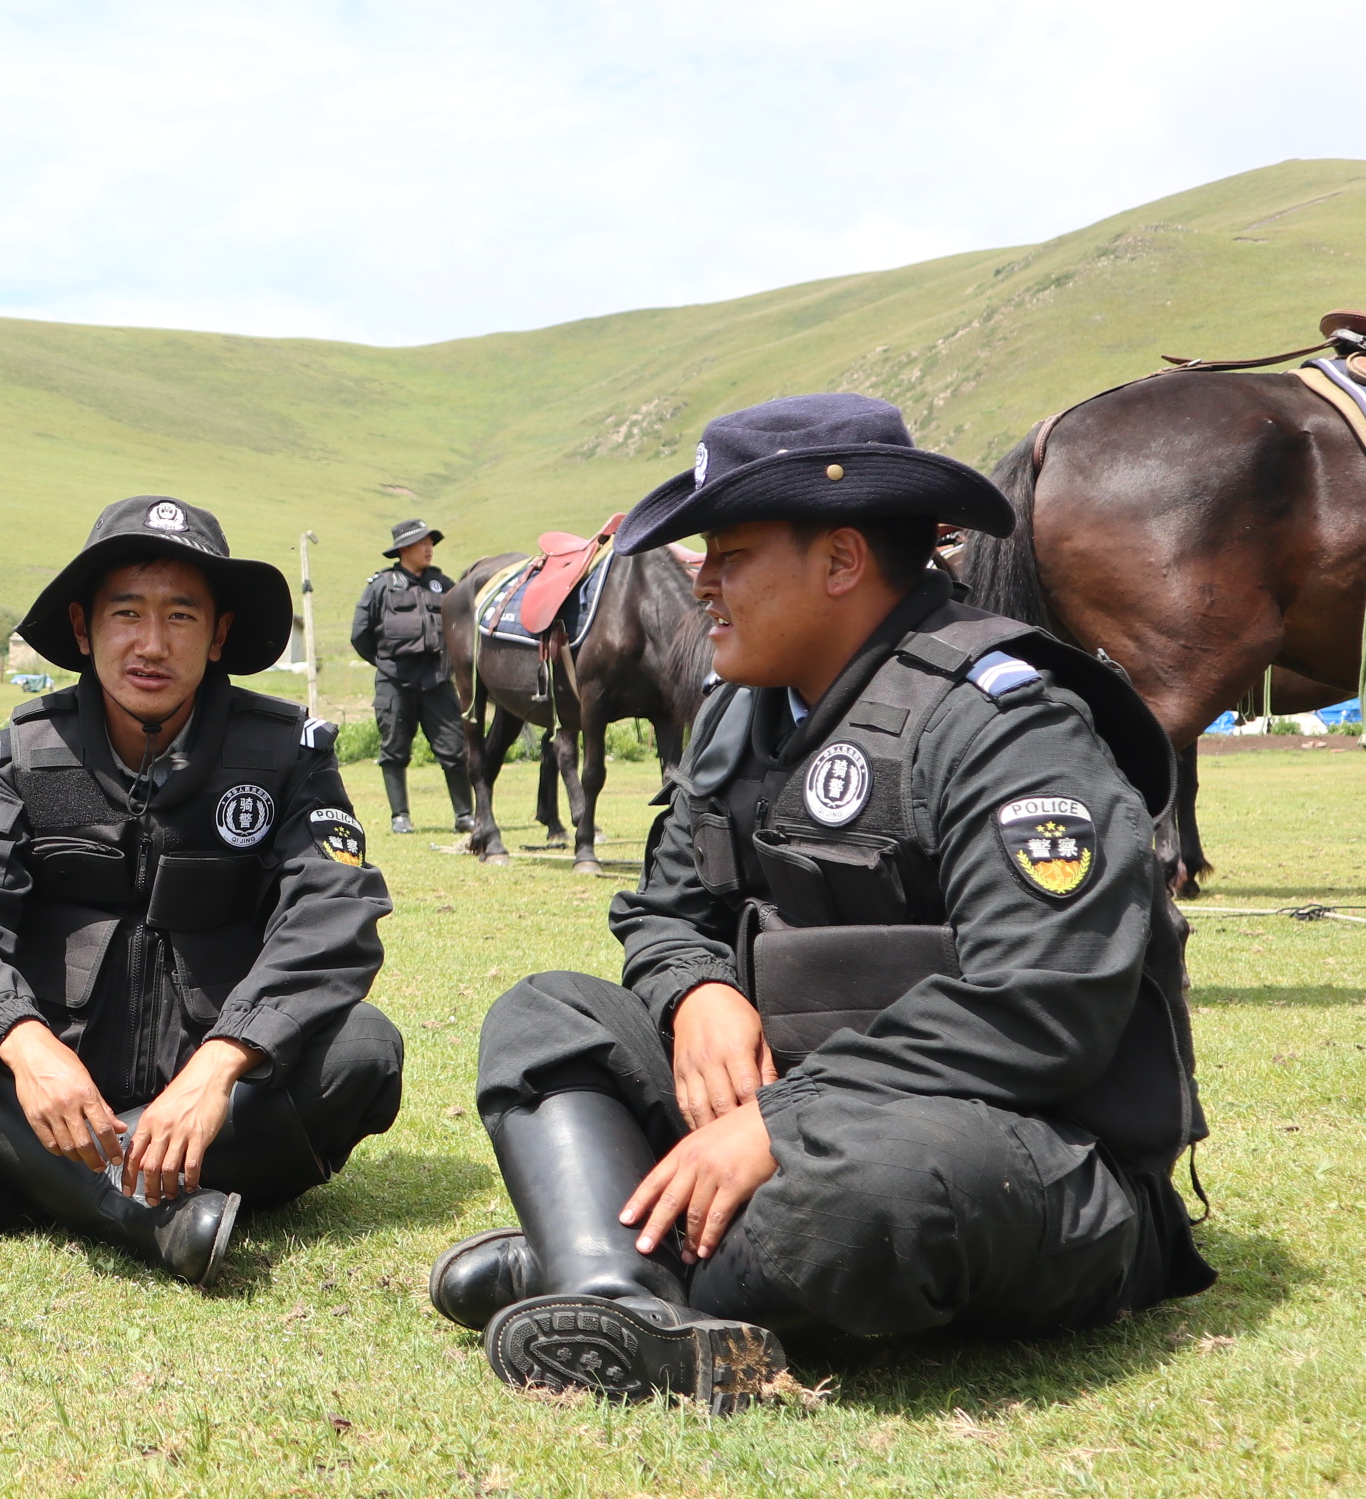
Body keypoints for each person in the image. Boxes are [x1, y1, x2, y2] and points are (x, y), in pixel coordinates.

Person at [429, 395, 1215, 1409]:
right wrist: (696, 991)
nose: (701, 582)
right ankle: (620, 1297)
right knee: (547, 1014)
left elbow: (1041, 998)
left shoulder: (1006, 724)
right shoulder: (736, 714)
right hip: (789, 1115)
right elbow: (667, 912)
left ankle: (584, 1262)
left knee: (870, 1189)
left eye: (732, 553)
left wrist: (789, 1118)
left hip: (1017, 1149)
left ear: (842, 561)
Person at [0, 495, 403, 1287]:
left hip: (217, 1100)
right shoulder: (20, 757)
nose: (152, 644)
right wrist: (24, 1046)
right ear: (83, 626)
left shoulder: (289, 755)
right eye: (126, 613)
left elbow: (334, 916)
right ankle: (139, 1207)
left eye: (181, 616)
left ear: (221, 635)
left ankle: (14, 1177)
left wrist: (218, 1067)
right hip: (53, 1086)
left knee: (364, 1052)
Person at [351, 517, 468, 835]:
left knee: (455, 749)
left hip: (437, 681)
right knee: (394, 750)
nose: (429, 548)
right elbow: (360, 634)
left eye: (431, 542)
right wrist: (385, 663)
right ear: (404, 549)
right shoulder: (380, 586)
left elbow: (462, 628)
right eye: (422, 542)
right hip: (395, 681)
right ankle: (399, 816)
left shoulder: (443, 584)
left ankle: (465, 815)